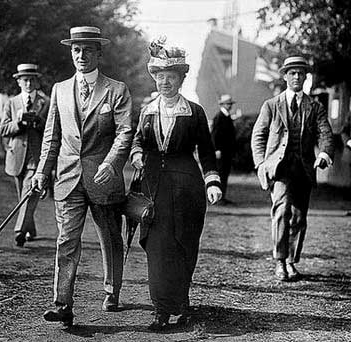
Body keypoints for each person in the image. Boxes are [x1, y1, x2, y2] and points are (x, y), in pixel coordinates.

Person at [31, 26, 133, 327]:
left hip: (104, 178)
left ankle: (112, 291)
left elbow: (125, 131)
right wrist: (41, 172)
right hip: (68, 177)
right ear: (71, 52)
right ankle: (62, 304)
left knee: (111, 237)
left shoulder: (117, 90)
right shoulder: (60, 90)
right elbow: (52, 137)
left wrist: (112, 163)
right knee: (66, 240)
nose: (81, 54)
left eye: (88, 49)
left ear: (99, 53)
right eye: (76, 49)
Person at [131, 37, 222, 331]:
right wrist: (136, 155)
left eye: (171, 77)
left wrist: (212, 182)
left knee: (184, 246)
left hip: (187, 189)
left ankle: (181, 303)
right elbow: (137, 142)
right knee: (157, 248)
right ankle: (160, 310)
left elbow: (206, 151)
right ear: (155, 79)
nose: (164, 83)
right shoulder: (147, 111)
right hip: (153, 189)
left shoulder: (194, 112)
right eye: (160, 77)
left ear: (181, 79)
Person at [251, 56, 334, 281]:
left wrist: (324, 153)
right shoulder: (271, 105)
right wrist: (260, 163)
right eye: (292, 73)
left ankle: (291, 262)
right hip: (280, 170)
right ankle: (279, 261)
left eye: (300, 73)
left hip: (304, 169)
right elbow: (258, 134)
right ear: (285, 76)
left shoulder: (315, 106)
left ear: (306, 77)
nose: (296, 76)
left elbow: (325, 132)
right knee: (281, 211)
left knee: (299, 217)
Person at [0, 63, 50, 247]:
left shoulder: (46, 102)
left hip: (36, 158)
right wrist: (18, 123)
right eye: (25, 80)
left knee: (29, 192)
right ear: (19, 82)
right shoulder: (11, 103)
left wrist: (38, 121)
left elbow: (52, 129)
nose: (28, 83)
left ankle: (19, 231)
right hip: (16, 155)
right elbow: (3, 129)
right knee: (23, 196)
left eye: (32, 80)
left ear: (36, 82)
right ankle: (31, 228)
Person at [210, 94, 237, 204]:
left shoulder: (226, 116)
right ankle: (218, 198)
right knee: (221, 174)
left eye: (230, 104)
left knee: (224, 174)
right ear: (222, 104)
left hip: (226, 151)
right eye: (228, 104)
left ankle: (222, 197)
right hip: (221, 152)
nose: (229, 106)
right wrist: (216, 149)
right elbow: (215, 135)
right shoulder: (219, 117)